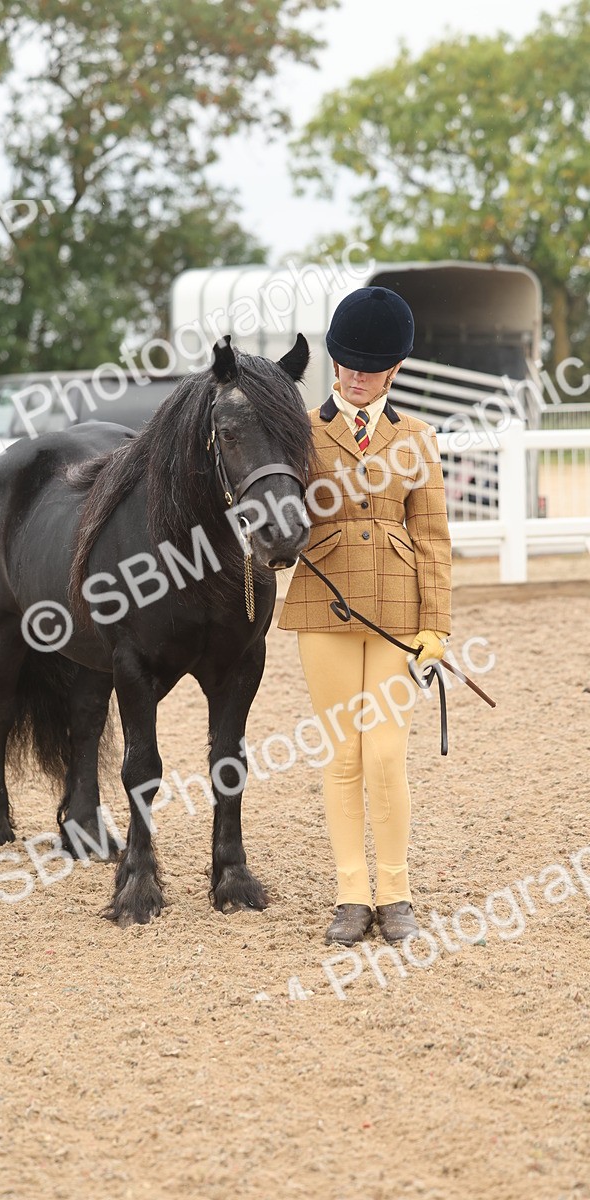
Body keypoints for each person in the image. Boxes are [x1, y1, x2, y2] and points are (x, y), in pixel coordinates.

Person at [279, 286, 452, 946]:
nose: (354, 379)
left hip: (396, 611)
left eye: (369, 370)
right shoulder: (302, 431)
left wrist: (435, 624)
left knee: (384, 753)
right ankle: (353, 894)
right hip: (325, 604)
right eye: (346, 366)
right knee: (341, 755)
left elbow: (433, 537)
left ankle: (397, 892)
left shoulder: (416, 438)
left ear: (395, 370)